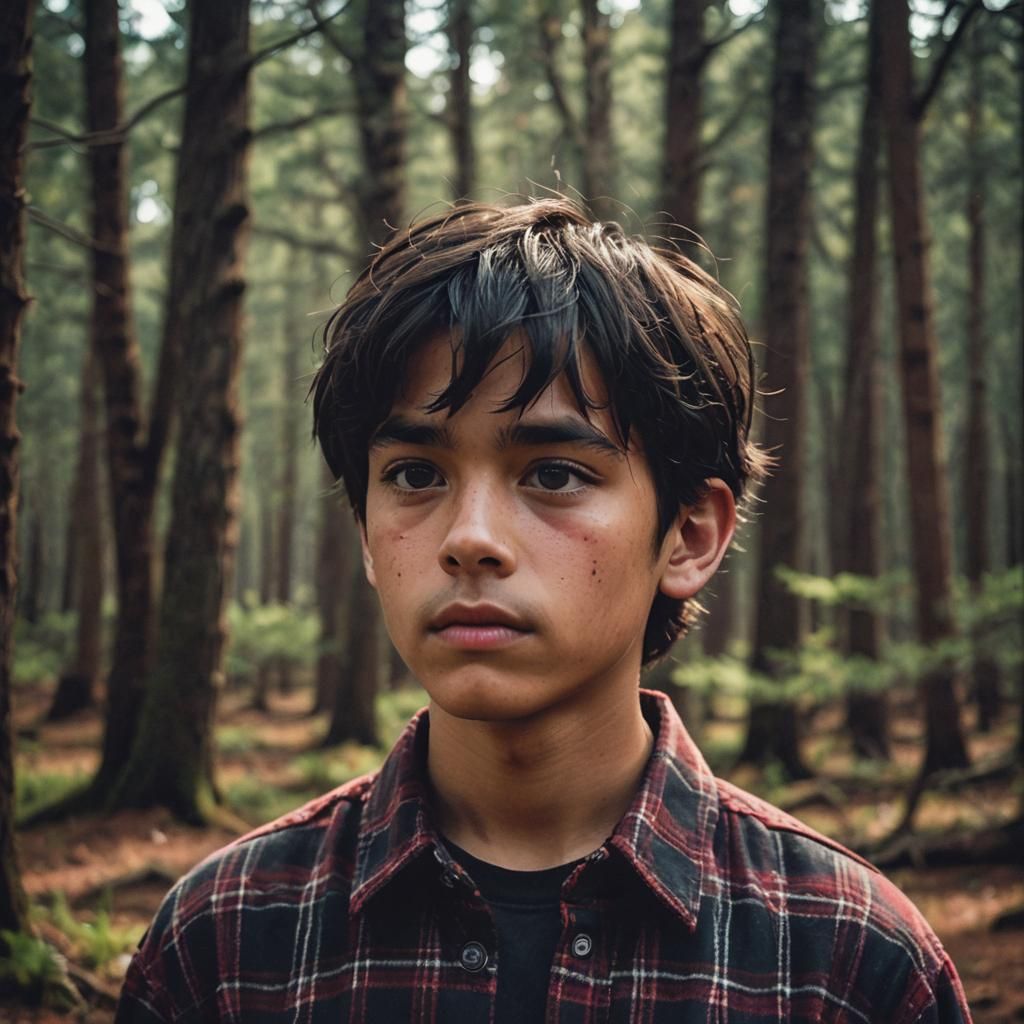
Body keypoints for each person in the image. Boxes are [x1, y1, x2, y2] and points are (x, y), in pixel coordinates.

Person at [116, 199, 971, 1023]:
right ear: (369, 537)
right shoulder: (225, 946)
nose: (470, 539)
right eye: (415, 475)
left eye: (554, 473)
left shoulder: (850, 963)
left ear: (689, 535)